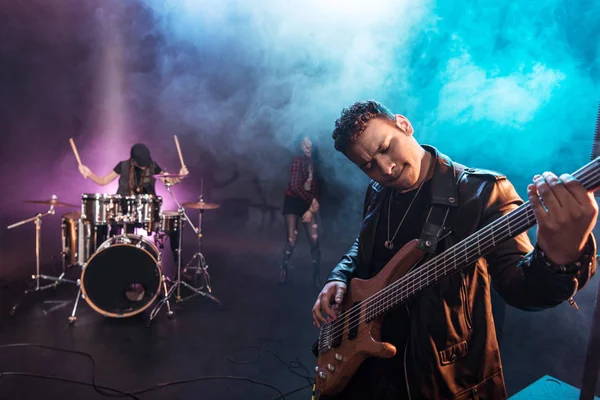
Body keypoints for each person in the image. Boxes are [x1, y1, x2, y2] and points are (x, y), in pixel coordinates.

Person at [311, 101, 598, 399]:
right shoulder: (378, 192)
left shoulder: (481, 192)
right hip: (371, 370)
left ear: (404, 125)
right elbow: (364, 244)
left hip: (439, 380)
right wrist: (339, 276)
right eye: (368, 165)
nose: (386, 168)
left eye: (385, 148)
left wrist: (560, 256)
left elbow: (522, 289)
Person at [78, 143, 189, 265]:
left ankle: (180, 269)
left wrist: (180, 177)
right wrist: (90, 174)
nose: (144, 166)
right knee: (112, 229)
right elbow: (104, 181)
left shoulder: (152, 166)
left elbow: (169, 181)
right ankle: (109, 264)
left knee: (174, 227)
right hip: (125, 211)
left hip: (148, 213)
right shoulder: (123, 166)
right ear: (133, 161)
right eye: (141, 164)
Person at [280, 136, 322, 287]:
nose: (307, 145)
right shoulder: (298, 160)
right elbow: (295, 186)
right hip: (293, 201)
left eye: (309, 142)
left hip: (308, 202)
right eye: (304, 143)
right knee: (291, 239)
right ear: (300, 145)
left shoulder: (316, 163)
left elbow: (318, 186)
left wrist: (314, 201)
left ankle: (316, 277)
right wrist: (311, 204)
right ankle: (283, 270)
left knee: (315, 240)